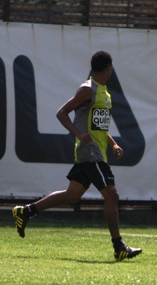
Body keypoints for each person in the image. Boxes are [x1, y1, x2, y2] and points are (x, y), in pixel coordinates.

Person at [12, 51, 142, 262]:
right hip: (91, 153)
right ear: (108, 68)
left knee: (72, 195)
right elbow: (62, 112)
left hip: (95, 152)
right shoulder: (87, 90)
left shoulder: (103, 92)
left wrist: (114, 143)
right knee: (112, 195)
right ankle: (119, 246)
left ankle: (26, 211)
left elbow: (98, 126)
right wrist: (79, 134)